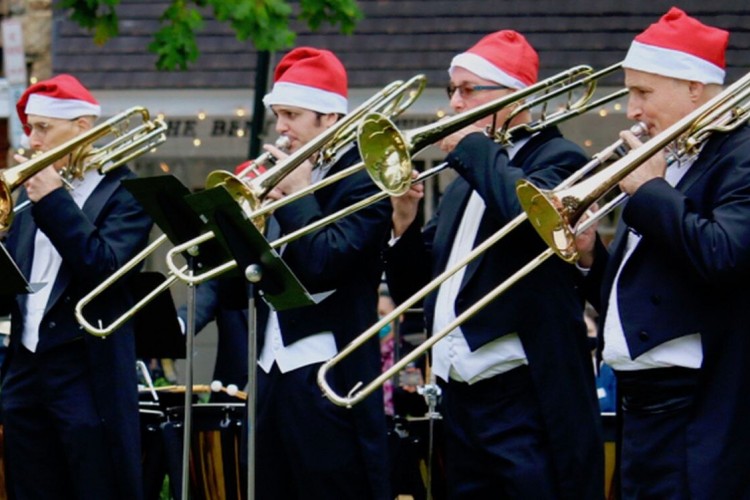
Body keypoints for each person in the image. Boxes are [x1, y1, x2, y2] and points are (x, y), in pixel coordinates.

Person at [383, 30, 603, 499]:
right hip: (461, 396)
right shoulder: (466, 178)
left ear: (516, 95)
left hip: (524, 394)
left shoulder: (560, 157)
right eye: (453, 91)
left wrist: (475, 148)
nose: (456, 103)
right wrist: (403, 220)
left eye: (469, 90)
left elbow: (529, 224)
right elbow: (414, 292)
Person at [575, 7, 750, 499]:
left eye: (643, 92)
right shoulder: (668, 156)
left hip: (696, 407)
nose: (631, 109)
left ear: (694, 88)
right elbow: (647, 285)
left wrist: (651, 192)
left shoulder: (740, 153)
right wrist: (592, 258)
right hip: (640, 407)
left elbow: (724, 255)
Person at [0, 75, 152, 499]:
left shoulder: (127, 194)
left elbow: (103, 268)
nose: (33, 140)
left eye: (44, 128)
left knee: (94, 485)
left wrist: (53, 200)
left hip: (87, 369)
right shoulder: (29, 194)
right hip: (26, 370)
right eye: (30, 128)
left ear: (83, 128)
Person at [251, 47, 392, 499]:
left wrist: (296, 197)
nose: (281, 128)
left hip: (329, 374)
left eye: (291, 114)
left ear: (329, 119)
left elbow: (324, 265)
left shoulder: (365, 180)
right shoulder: (288, 175)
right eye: (278, 115)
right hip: (272, 367)